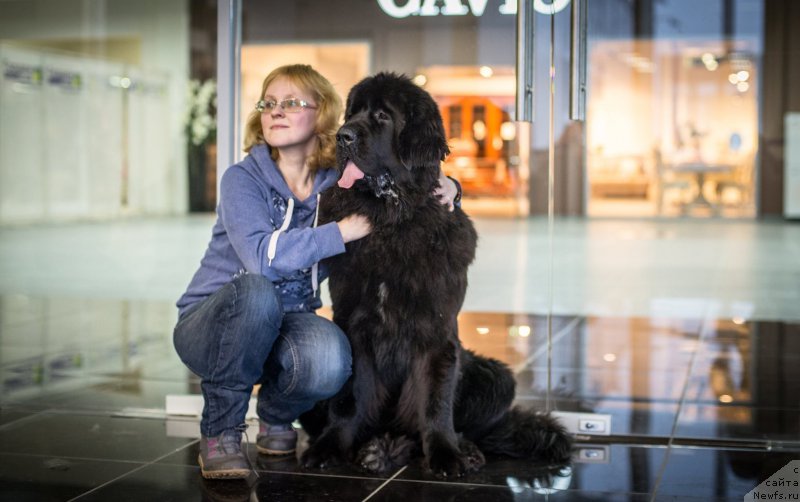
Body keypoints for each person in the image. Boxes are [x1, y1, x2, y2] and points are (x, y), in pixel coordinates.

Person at [173, 64, 461, 480]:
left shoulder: (337, 183)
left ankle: (275, 418)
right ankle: (220, 432)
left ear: (323, 115)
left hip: (285, 325)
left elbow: (404, 180)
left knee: (330, 357)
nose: (276, 111)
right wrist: (340, 232)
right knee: (257, 292)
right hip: (212, 327)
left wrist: (449, 184)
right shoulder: (242, 180)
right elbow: (260, 258)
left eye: (291, 102)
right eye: (268, 103)